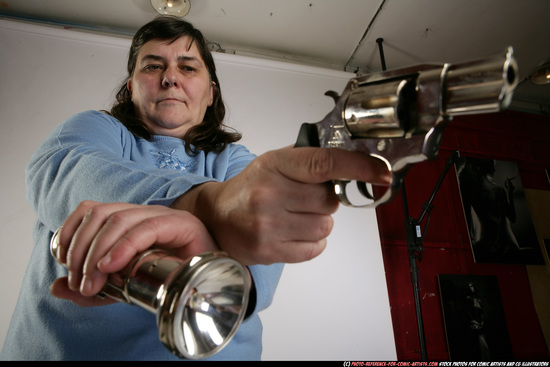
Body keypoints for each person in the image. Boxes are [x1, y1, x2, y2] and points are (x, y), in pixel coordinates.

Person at [0, 16, 389, 361]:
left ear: (211, 93)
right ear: (131, 88)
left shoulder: (237, 161)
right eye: (153, 66)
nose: (170, 77)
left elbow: (258, 268)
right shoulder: (97, 129)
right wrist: (205, 206)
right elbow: (63, 171)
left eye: (188, 67)